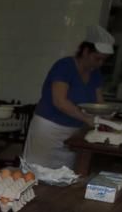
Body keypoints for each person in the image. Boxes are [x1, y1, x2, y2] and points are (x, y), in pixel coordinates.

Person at [23, 25, 115, 170]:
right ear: (85, 51)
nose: (100, 64)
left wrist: (108, 119)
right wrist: (86, 119)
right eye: (97, 58)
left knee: (62, 177)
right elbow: (60, 101)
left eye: (104, 60)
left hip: (73, 135)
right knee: (36, 174)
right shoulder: (64, 67)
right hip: (48, 131)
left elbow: (99, 104)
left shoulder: (95, 74)